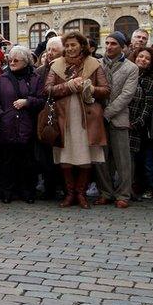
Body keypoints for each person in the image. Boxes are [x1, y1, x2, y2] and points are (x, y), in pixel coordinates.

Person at [43, 33, 110, 209]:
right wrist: (68, 86)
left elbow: (105, 90)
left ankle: (81, 193)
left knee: (85, 156)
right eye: (68, 45)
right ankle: (70, 193)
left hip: (86, 117)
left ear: (82, 45)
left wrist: (91, 88)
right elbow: (48, 90)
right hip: (63, 116)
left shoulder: (94, 64)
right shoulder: (56, 65)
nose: (71, 48)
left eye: (74, 45)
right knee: (65, 156)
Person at [0, 45, 44, 203]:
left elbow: (42, 100)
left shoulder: (35, 78)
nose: (12, 62)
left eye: (16, 60)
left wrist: (28, 102)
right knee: (8, 162)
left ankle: (27, 192)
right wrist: (1, 115)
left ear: (26, 61)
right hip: (7, 126)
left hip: (28, 126)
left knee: (27, 162)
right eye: (10, 59)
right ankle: (8, 192)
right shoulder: (4, 78)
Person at [94, 32, 139, 208]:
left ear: (122, 46)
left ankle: (123, 194)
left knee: (123, 160)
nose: (109, 46)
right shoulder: (97, 64)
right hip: (98, 118)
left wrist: (108, 113)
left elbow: (127, 95)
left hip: (118, 118)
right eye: (107, 43)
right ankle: (105, 192)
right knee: (100, 159)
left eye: (113, 43)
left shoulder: (131, 68)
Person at [128, 47, 153, 198]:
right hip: (120, 121)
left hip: (136, 126)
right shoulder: (127, 73)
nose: (142, 60)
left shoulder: (149, 79)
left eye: (147, 58)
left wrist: (137, 123)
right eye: (140, 56)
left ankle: (133, 188)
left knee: (134, 158)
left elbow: (148, 104)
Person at [35, 36, 64, 200]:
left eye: (54, 50)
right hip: (45, 117)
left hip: (63, 115)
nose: (50, 53)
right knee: (46, 156)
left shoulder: (68, 68)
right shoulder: (40, 71)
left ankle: (65, 187)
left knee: (63, 155)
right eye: (48, 50)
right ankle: (49, 188)